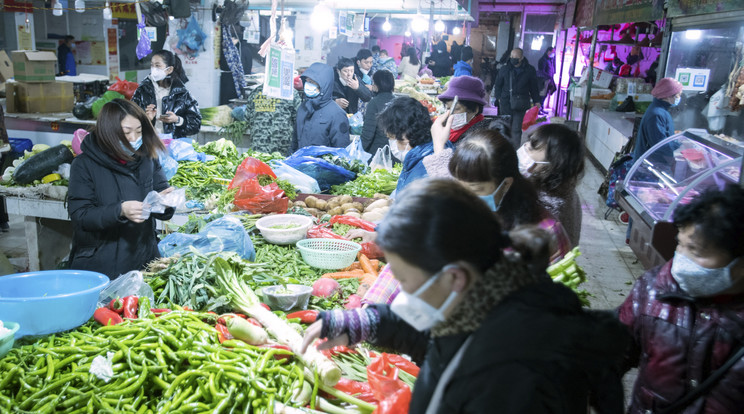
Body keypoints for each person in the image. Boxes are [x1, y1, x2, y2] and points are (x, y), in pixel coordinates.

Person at [302, 178, 629, 413]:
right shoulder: (483, 298)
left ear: (454, 277)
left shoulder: (514, 376)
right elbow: (433, 339)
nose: (400, 291)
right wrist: (366, 321)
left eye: (404, 280)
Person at [618, 184, 744, 413]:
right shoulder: (652, 289)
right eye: (680, 244)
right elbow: (614, 352)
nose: (680, 261)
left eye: (695, 251)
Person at [67, 99, 174, 279]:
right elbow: (81, 215)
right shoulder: (84, 165)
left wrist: (165, 203)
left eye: (139, 131)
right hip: (102, 265)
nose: (134, 139)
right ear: (108, 133)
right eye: (126, 132)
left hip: (144, 259)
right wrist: (120, 210)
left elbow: (162, 194)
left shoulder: (147, 158)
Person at [519, 123, 585, 246]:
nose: (525, 147)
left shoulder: (549, 202)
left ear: (553, 163)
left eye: (532, 147)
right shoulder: (563, 188)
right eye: (528, 142)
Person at [378, 97, 453, 194]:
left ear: (406, 136)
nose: (392, 143)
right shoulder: (422, 154)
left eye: (392, 137)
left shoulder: (426, 167)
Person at [132, 50, 201, 138]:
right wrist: (146, 119)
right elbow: (130, 120)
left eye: (157, 65)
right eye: (152, 65)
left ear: (169, 69)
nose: (154, 69)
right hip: (149, 144)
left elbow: (195, 125)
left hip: (174, 145)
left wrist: (177, 120)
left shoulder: (182, 93)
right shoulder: (142, 91)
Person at [293, 62, 350, 150]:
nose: (308, 85)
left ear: (324, 85)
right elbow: (295, 142)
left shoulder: (337, 114)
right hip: (300, 162)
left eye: (312, 82)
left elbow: (341, 152)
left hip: (322, 163)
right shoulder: (303, 107)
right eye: (307, 81)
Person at [492, 48, 541, 148]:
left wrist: (537, 100)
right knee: (505, 127)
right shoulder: (504, 69)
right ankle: (503, 148)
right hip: (505, 102)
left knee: (516, 129)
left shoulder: (529, 70)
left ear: (522, 57)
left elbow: (533, 87)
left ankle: (514, 150)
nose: (513, 59)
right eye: (512, 57)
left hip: (521, 102)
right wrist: (498, 97)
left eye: (516, 57)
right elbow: (498, 85)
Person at [240, 84, 301, 155]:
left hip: (259, 148)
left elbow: (247, 118)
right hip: (282, 148)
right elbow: (299, 120)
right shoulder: (290, 93)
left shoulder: (256, 92)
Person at [631, 77, 682, 161]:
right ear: (668, 96)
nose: (679, 98)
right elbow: (659, 146)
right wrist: (680, 145)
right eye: (678, 95)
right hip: (649, 164)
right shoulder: (656, 114)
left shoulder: (661, 110)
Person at [436, 76, 492, 144]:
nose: (451, 113)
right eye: (448, 108)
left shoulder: (478, 138)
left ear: (475, 110)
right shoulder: (449, 130)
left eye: (457, 109)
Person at [360, 70, 395, 155]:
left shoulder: (374, 103)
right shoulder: (397, 101)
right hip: (395, 151)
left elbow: (368, 133)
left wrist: (359, 151)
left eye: (374, 82)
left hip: (377, 152)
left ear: (377, 85)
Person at [219, 25, 253, 105]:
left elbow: (243, 67)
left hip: (232, 83)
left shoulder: (240, 50)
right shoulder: (245, 49)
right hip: (237, 82)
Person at [536, 47, 557, 112]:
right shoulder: (543, 60)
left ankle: (541, 108)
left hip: (549, 80)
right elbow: (542, 71)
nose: (554, 53)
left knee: (545, 95)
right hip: (543, 81)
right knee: (542, 95)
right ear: (548, 51)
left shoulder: (550, 60)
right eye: (553, 52)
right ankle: (538, 110)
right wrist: (548, 77)